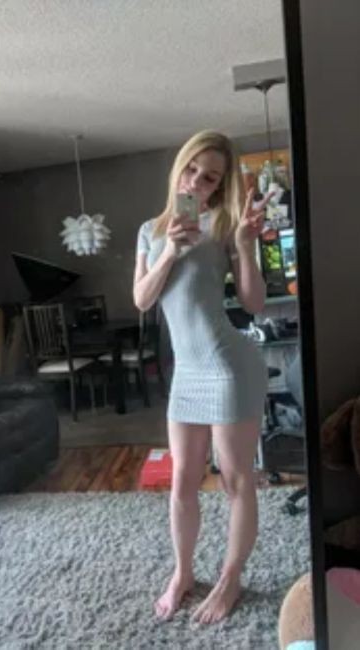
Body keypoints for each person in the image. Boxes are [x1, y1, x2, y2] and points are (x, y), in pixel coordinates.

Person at [133, 130, 274, 624]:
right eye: (192, 169)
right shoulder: (149, 231)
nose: (197, 182)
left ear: (220, 185)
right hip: (187, 374)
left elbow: (254, 304)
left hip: (228, 366)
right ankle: (183, 573)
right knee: (182, 483)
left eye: (210, 178)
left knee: (236, 480)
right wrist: (170, 250)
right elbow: (143, 299)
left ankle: (231, 579)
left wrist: (245, 247)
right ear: (180, 165)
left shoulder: (225, 225)